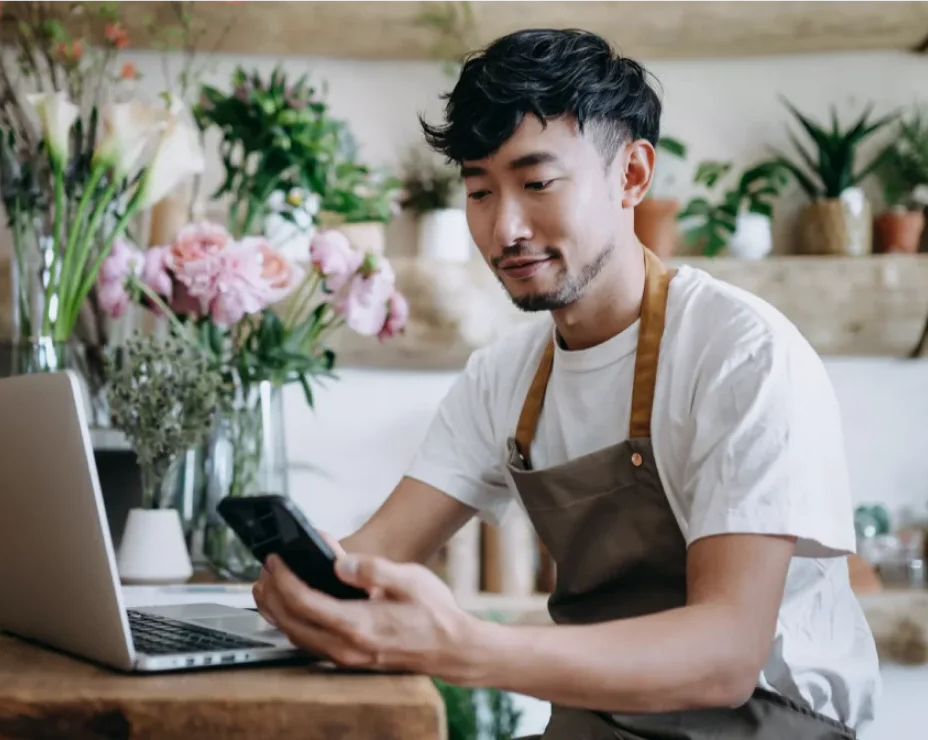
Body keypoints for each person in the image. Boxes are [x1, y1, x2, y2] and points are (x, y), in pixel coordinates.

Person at [252, 27, 881, 739]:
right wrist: (300, 589)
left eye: (537, 183)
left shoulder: (740, 353)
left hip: (764, 726)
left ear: (632, 176)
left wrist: (461, 645)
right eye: (479, 191)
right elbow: (371, 557)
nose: (503, 228)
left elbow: (725, 658)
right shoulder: (504, 378)